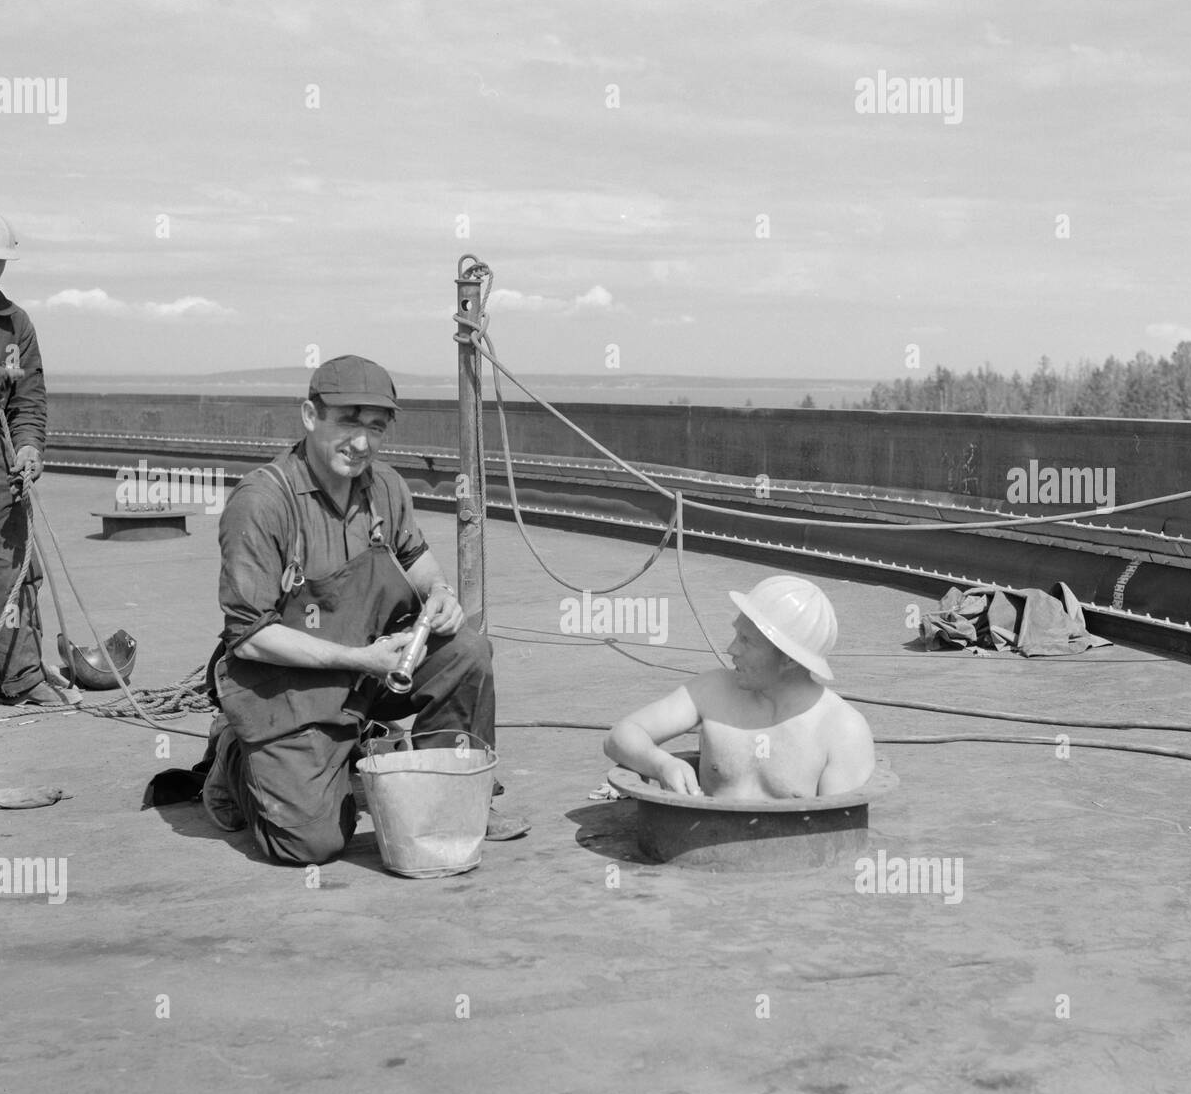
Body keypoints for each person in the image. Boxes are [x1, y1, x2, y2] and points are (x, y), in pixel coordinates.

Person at [201, 354, 528, 865]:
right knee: (312, 844)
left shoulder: (385, 487)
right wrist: (360, 660)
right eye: (348, 423)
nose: (361, 443)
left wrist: (439, 593)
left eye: (375, 428)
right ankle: (234, 757)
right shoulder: (263, 502)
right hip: (287, 688)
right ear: (310, 416)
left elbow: (415, 558)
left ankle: (449, 794)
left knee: (466, 651)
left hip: (370, 672)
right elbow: (249, 636)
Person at [604, 576, 874, 801]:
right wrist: (662, 765)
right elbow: (621, 736)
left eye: (746, 641)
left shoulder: (842, 731)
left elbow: (838, 831)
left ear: (789, 658)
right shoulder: (714, 690)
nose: (731, 649)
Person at [0, 207, 61, 718]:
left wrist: (29, 449)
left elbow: (31, 399)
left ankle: (21, 677)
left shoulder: (15, 323)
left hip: (2, 473)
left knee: (9, 575)